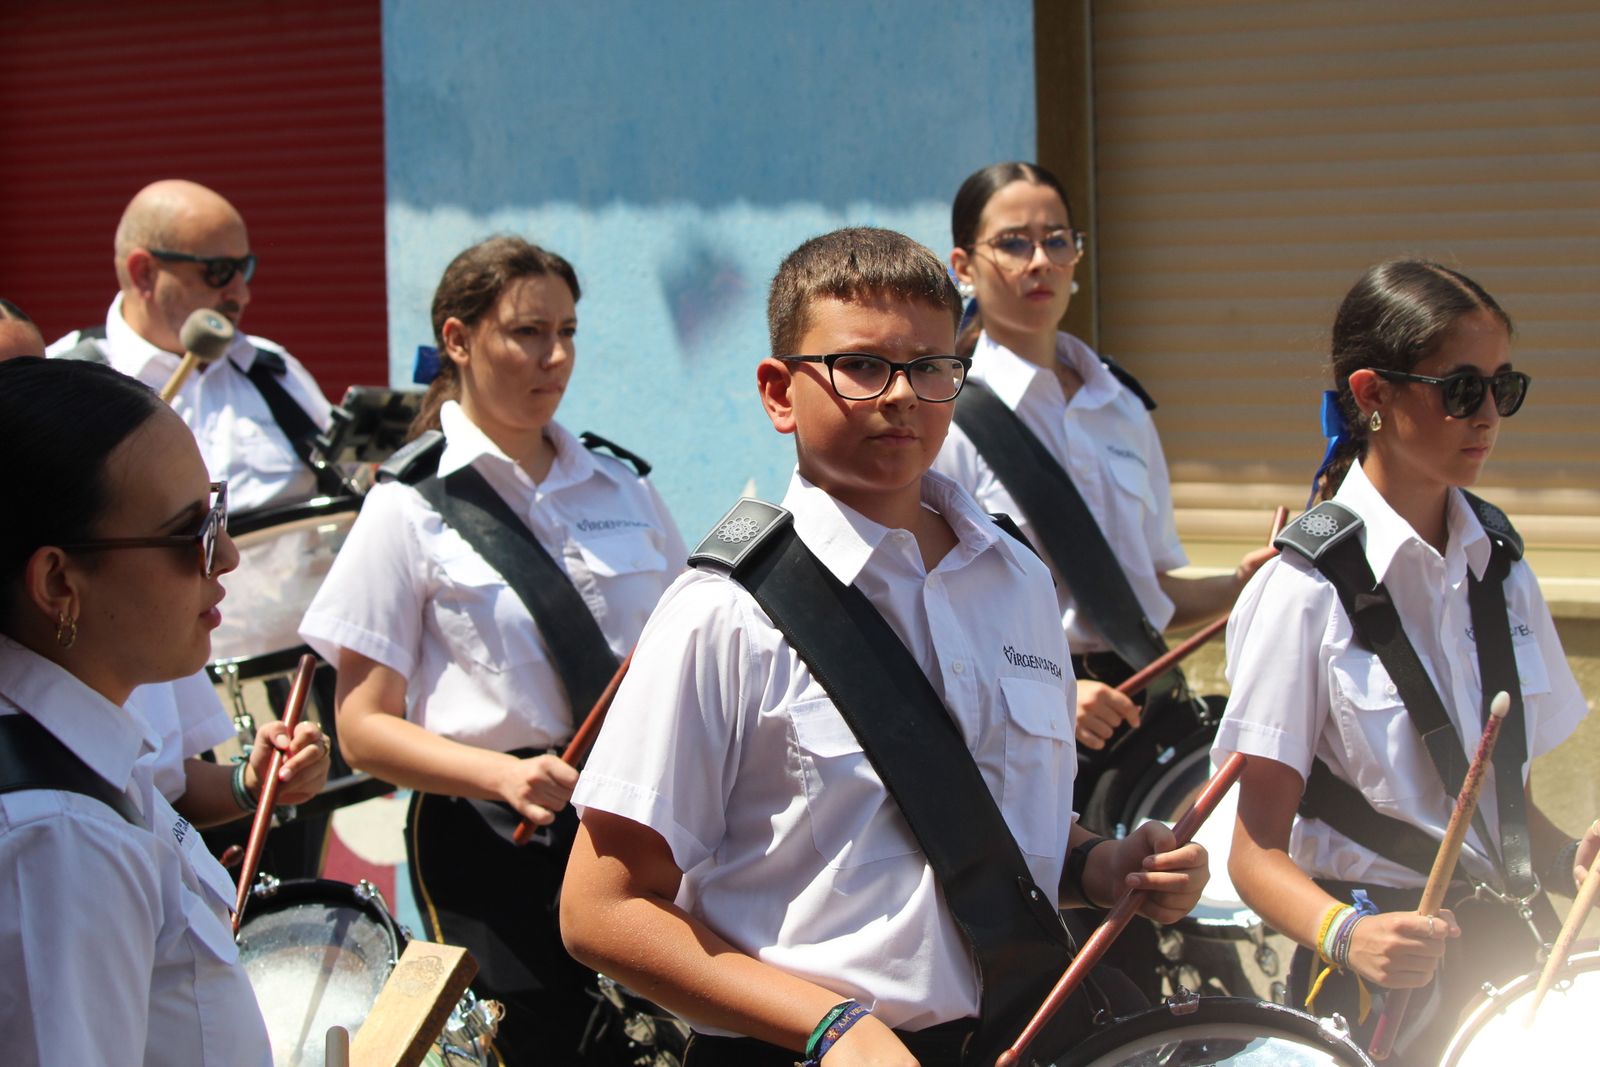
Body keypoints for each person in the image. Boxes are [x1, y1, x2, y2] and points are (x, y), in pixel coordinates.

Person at [561, 227, 1209, 1067]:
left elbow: (989, 816)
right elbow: (600, 909)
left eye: (931, 368)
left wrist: (1101, 864)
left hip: (1019, 1037)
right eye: (862, 366)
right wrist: (830, 1023)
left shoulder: (1015, 576)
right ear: (779, 391)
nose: (903, 396)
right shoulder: (722, 612)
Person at [299, 235, 686, 1065]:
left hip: (630, 816)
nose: (555, 356)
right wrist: (503, 775)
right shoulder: (408, 509)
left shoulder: (626, 489)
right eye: (527, 332)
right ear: (459, 339)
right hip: (493, 835)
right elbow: (363, 728)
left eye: (569, 332)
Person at [1215, 259, 1599, 1065]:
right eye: (1461, 389)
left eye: (1505, 386)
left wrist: (1571, 858)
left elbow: (1503, 817)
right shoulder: (1301, 590)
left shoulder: (1501, 566)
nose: (1488, 414)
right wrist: (1347, 933)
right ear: (1372, 394)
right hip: (1376, 988)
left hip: (1506, 965)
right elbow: (1253, 852)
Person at [931, 162, 1275, 831]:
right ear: (964, 266)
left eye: (1057, 241)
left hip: (1142, 717)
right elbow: (928, 612)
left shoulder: (1120, 407)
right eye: (1013, 242)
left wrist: (1239, 586)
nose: (1040, 262)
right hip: (1017, 728)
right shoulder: (945, 414)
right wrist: (1055, 692)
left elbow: (1151, 597)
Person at [0, 356, 272, 1064]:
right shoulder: (59, 836)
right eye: (193, 533)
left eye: (218, 513)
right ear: (59, 582)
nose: (228, 555)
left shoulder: (71, 771)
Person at [47, 179, 337, 515]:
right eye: (219, 272)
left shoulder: (271, 370)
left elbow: (349, 478)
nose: (241, 295)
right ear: (144, 274)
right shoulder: (65, 380)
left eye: (244, 269)